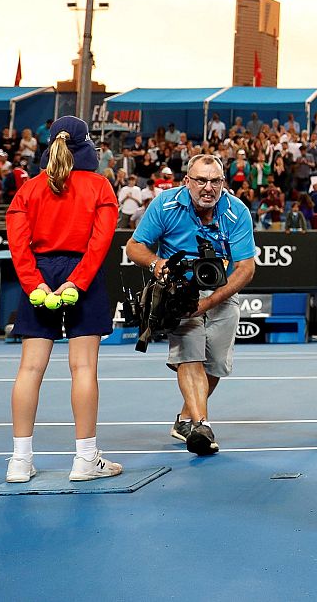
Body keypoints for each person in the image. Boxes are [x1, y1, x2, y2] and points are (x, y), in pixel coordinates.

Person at [3, 116, 121, 484]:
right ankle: (85, 459)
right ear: (86, 145)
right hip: (81, 276)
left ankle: (20, 461)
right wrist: (76, 283)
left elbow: (18, 243)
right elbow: (99, 243)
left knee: (29, 369)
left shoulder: (28, 190)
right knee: (83, 368)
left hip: (39, 273)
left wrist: (35, 285)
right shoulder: (100, 186)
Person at [125, 152, 258, 456]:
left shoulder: (236, 211)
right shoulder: (165, 204)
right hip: (178, 292)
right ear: (187, 181)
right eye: (200, 180)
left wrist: (209, 301)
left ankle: (185, 419)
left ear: (223, 183)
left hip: (220, 292)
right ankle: (201, 426)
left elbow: (246, 268)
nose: (207, 187)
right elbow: (134, 246)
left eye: (214, 181)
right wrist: (157, 263)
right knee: (190, 356)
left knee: (216, 365)